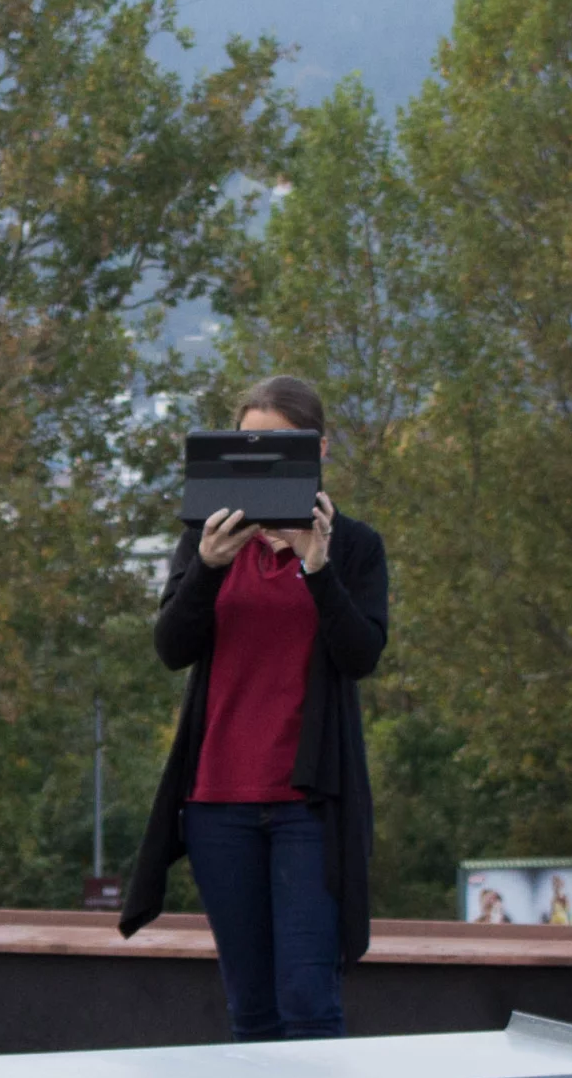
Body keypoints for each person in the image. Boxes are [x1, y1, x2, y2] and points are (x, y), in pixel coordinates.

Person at [118, 376, 388, 1037]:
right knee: (253, 1007)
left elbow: (360, 657)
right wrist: (207, 567)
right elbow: (172, 648)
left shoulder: (353, 546)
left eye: (283, 445)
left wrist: (315, 568)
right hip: (217, 805)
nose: (264, 458)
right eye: (249, 443)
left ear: (318, 450)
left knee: (309, 999)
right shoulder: (205, 540)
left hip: (306, 806)